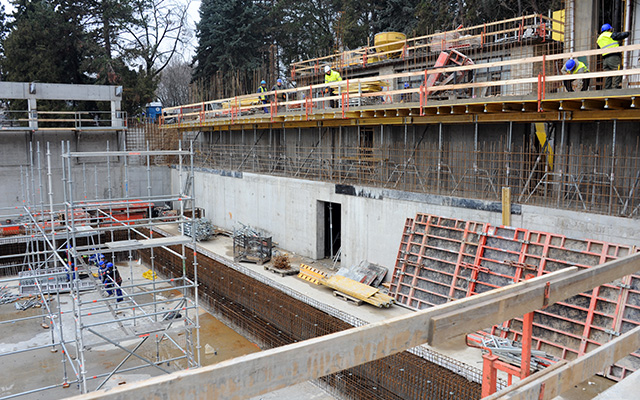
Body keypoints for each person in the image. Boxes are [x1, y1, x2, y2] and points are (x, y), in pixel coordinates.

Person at [597, 23, 630, 89]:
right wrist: (627, 33)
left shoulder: (599, 38)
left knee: (608, 75)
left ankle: (607, 89)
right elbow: (619, 36)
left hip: (605, 59)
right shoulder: (608, 35)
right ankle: (615, 89)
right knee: (617, 71)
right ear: (609, 29)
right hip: (613, 57)